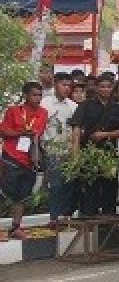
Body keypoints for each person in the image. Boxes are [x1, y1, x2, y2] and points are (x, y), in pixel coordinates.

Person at [70, 73, 119, 216]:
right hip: (88, 153)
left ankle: (108, 225)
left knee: (110, 189)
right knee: (89, 189)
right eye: (102, 87)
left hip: (109, 154)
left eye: (108, 87)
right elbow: (76, 127)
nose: (105, 90)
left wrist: (104, 135)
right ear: (96, 88)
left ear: (112, 88)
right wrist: (75, 152)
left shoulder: (117, 108)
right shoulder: (85, 105)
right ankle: (88, 221)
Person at [0, 82, 49, 238]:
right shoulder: (13, 111)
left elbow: (38, 132)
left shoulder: (43, 112)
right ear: (26, 95)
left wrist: (29, 134)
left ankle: (16, 227)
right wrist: (21, 132)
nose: (38, 98)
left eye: (40, 95)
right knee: (4, 193)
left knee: (22, 195)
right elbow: (3, 131)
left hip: (29, 159)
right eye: (34, 95)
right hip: (11, 157)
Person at [41, 72, 77, 224]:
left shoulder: (73, 106)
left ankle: (66, 216)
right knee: (55, 185)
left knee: (69, 185)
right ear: (55, 84)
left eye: (69, 85)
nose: (66, 88)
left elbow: (76, 131)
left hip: (69, 151)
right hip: (51, 151)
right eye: (63, 84)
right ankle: (54, 218)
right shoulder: (45, 104)